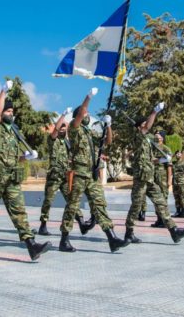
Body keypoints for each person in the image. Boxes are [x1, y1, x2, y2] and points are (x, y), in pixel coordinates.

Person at [0, 81, 51, 261]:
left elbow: (14, 157)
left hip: (11, 179)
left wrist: (27, 156)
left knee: (19, 212)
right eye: (8, 111)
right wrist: (3, 91)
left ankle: (31, 245)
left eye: (12, 112)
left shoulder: (13, 133)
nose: (11, 114)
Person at [58, 88, 129, 253]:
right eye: (86, 114)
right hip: (79, 174)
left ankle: (112, 238)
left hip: (92, 175)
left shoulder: (90, 133)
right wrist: (88, 97)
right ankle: (64, 240)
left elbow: (108, 141)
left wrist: (108, 125)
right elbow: (81, 112)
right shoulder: (74, 130)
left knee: (99, 205)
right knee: (72, 206)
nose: (88, 115)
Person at [124, 102, 184, 244]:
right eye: (144, 124)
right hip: (141, 178)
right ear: (140, 126)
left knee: (161, 203)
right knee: (136, 206)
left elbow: (148, 158)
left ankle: (174, 231)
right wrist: (155, 111)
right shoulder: (138, 136)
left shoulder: (147, 140)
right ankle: (129, 233)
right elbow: (147, 126)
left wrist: (160, 160)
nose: (148, 127)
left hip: (149, 178)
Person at [37, 109, 93, 237]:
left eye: (64, 127)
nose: (62, 129)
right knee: (48, 201)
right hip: (54, 176)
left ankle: (81, 222)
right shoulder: (53, 140)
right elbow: (55, 131)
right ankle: (43, 225)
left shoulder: (68, 143)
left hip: (65, 176)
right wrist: (62, 115)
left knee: (71, 200)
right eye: (61, 127)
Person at [149, 131, 173, 228]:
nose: (156, 136)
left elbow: (169, 166)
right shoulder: (152, 148)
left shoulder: (166, 149)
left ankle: (164, 220)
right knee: (156, 199)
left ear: (162, 138)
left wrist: (169, 180)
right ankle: (159, 219)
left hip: (162, 177)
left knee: (163, 199)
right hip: (152, 176)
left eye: (158, 135)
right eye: (155, 134)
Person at [171, 149, 184, 218]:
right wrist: (172, 156)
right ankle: (177, 211)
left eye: (179, 154)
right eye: (176, 154)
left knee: (182, 198)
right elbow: (169, 161)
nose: (177, 155)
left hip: (182, 183)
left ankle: (182, 212)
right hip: (175, 183)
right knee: (176, 198)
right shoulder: (174, 163)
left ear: (182, 155)